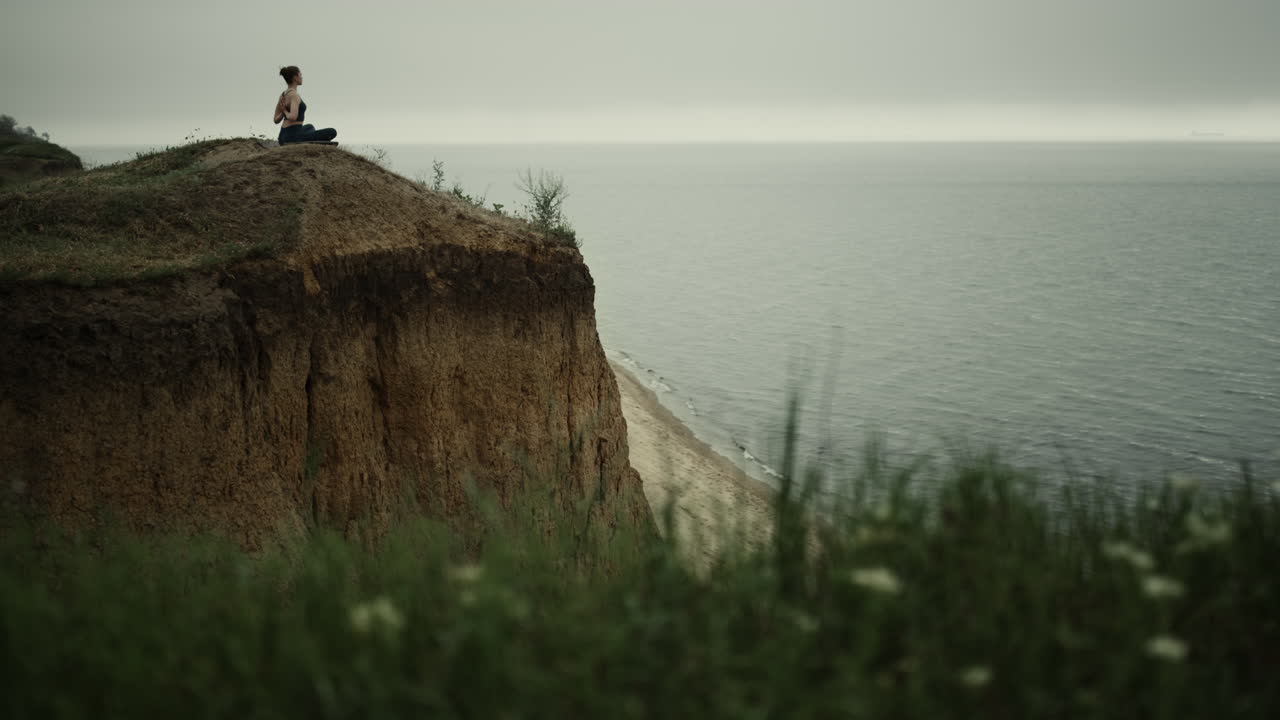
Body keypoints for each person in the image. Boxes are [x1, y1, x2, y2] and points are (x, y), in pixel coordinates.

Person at [273, 66, 338, 145]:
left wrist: (283, 112)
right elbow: (293, 117)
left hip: (282, 136)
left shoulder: (283, 95)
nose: (302, 77)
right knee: (332, 131)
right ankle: (307, 141)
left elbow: (276, 120)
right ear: (295, 78)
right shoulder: (294, 95)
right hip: (292, 137)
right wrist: (285, 111)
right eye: (300, 75)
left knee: (309, 126)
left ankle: (308, 136)